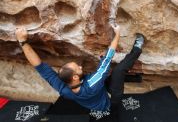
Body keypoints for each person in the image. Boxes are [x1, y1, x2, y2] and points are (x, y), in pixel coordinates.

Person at [15, 24, 144, 121]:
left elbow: (39, 66)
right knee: (118, 71)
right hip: (109, 99)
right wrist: (117, 34)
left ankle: (130, 79)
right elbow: (108, 58)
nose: (81, 66)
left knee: (106, 75)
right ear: (75, 77)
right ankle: (138, 48)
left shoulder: (62, 87)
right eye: (78, 68)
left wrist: (23, 42)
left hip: (96, 96)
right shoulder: (93, 84)